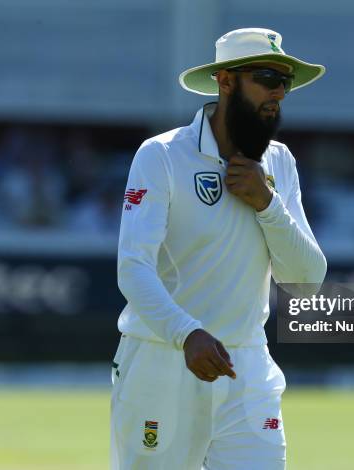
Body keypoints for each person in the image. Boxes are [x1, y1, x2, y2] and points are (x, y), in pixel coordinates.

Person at [110, 28, 327, 470]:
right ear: (225, 81)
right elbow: (133, 267)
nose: (278, 93)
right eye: (267, 77)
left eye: (285, 82)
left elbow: (306, 282)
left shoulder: (279, 163)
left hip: (247, 367)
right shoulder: (163, 155)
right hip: (162, 359)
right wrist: (186, 333)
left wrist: (267, 204)